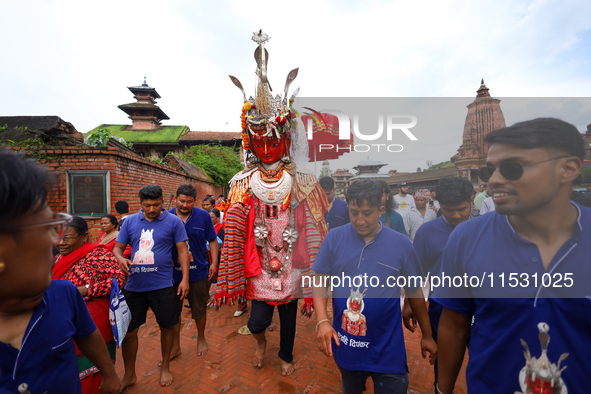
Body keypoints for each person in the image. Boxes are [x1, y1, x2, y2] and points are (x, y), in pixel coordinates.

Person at [433, 118, 591, 394]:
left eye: (512, 168)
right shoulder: (466, 237)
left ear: (568, 169)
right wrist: (441, 390)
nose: (493, 181)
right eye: (488, 170)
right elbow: (455, 326)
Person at [214, 31, 329, 377]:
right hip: (259, 261)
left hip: (293, 261)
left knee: (290, 317)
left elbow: (317, 226)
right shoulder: (242, 182)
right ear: (250, 142)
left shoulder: (304, 181)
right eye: (259, 142)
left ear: (286, 140)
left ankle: (286, 355)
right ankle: (261, 342)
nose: (265, 149)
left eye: (273, 141)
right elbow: (232, 225)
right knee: (258, 318)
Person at [0, 149, 120, 393]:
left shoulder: (63, 294)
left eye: (57, 226)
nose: (57, 241)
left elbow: (88, 335)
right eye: (46, 228)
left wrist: (109, 374)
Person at [312, 180, 437, 394]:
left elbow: (414, 290)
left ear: (380, 210)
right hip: (347, 346)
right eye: (354, 212)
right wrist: (322, 320)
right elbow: (319, 280)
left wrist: (427, 334)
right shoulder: (334, 238)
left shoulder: (400, 244)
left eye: (367, 213)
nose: (360, 221)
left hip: (387, 349)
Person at [113, 184, 190, 390]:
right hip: (134, 285)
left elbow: (183, 251)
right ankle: (129, 375)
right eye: (147, 205)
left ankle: (165, 365)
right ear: (141, 204)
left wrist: (184, 279)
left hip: (163, 284)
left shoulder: (174, 222)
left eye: (156, 205)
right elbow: (117, 248)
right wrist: (120, 258)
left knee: (166, 326)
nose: (152, 209)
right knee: (129, 332)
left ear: (162, 202)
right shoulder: (129, 222)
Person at [402, 177, 473, 393]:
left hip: (481, 308)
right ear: (438, 203)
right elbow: (415, 272)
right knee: (443, 363)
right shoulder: (427, 232)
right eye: (449, 209)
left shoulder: (484, 229)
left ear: (472, 201)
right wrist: (408, 304)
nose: (456, 215)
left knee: (482, 359)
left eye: (462, 209)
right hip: (441, 309)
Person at [54, 216, 127, 393]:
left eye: (68, 238)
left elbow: (118, 280)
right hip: (65, 321)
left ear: (85, 236)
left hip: (93, 323)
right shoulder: (58, 258)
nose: (61, 243)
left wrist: (85, 290)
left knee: (92, 374)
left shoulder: (98, 254)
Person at [168, 184, 218, 359]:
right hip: (172, 274)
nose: (185, 205)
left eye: (189, 202)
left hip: (198, 271)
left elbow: (212, 240)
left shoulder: (203, 216)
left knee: (199, 308)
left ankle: (201, 337)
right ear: (175, 199)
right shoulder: (166, 217)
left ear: (195, 201)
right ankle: (175, 345)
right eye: (182, 201)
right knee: (173, 312)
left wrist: (214, 263)